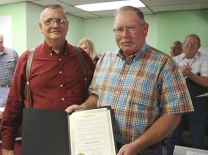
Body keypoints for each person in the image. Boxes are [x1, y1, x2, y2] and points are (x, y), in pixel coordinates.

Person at [66, 6, 194, 155]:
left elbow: (173, 114)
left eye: (131, 28)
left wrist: (137, 145)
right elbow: (96, 95)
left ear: (145, 29)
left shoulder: (165, 64)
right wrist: (84, 107)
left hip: (144, 150)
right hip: (104, 146)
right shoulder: (105, 59)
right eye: (119, 29)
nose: (125, 35)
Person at [0, 4, 95, 155]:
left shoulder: (82, 57)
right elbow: (14, 103)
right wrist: (7, 145)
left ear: (67, 25)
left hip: (78, 137)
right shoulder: (27, 59)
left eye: (60, 20)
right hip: (39, 137)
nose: (55, 25)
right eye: (48, 21)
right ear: (40, 26)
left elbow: (95, 93)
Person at [166, 34, 208, 155]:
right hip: (177, 101)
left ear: (198, 47)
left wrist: (190, 74)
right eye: (187, 43)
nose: (189, 45)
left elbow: (206, 82)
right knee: (172, 137)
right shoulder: (175, 60)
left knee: (197, 140)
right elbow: (167, 81)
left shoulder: (205, 59)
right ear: (183, 45)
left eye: (193, 44)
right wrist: (182, 75)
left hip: (197, 104)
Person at [0, 30, 19, 107]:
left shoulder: (12, 53)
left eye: (1, 42)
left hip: (14, 89)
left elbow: (20, 72)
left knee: (16, 111)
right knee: (1, 116)